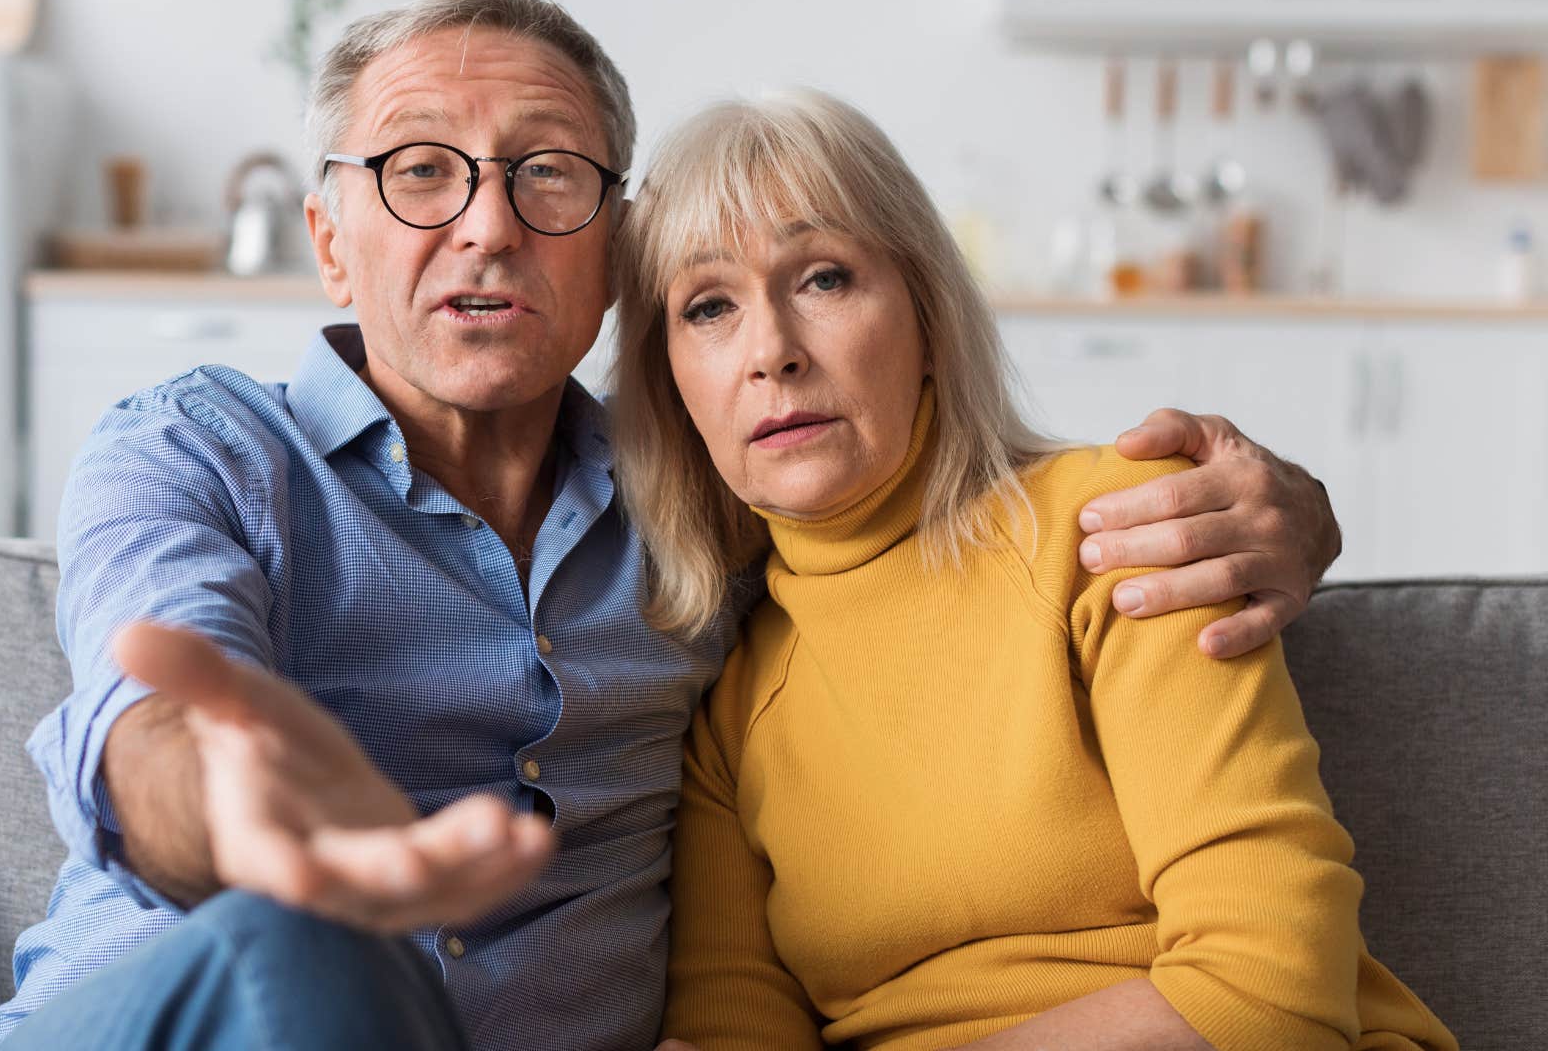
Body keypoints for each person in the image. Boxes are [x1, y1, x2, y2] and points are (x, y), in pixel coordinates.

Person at [0, 0, 1348, 1050]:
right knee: (301, 949)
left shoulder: (707, 530)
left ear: (612, 257)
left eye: (549, 176)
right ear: (332, 237)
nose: (486, 228)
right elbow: (150, 720)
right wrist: (250, 820)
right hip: (200, 1007)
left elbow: (923, 539)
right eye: (418, 172)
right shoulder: (193, 454)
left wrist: (1292, 513)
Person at [609, 88, 1456, 1051]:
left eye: (825, 279)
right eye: (708, 306)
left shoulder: (1123, 531)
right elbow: (734, 1031)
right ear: (671, 384)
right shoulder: (729, 704)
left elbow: (1267, 991)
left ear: (927, 318)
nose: (771, 352)